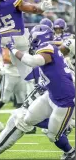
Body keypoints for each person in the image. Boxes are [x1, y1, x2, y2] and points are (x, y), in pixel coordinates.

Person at [5, 24, 75, 159]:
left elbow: (32, 61)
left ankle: (71, 150)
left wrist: (13, 49)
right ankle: (65, 125)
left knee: (52, 135)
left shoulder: (48, 48)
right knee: (28, 118)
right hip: (54, 94)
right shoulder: (53, 46)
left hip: (65, 97)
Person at [0, 47, 27, 130]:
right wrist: (21, 60)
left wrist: (23, 59)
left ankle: (20, 124)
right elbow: (6, 58)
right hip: (9, 75)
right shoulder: (8, 46)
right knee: (3, 99)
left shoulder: (23, 45)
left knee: (21, 99)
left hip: (20, 74)